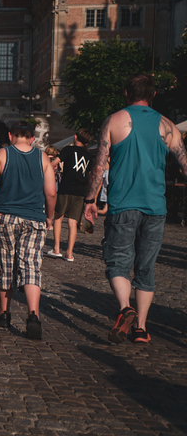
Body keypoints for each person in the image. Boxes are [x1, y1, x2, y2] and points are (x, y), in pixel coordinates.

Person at [83, 73, 187, 344]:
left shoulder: (114, 121)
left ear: (127, 94)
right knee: (146, 268)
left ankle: (125, 308)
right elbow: (185, 164)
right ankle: (140, 328)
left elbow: (99, 164)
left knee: (117, 262)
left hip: (123, 203)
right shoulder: (168, 126)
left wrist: (90, 200)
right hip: (156, 206)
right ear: (153, 95)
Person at [0, 121, 56, 341]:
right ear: (32, 138)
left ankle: (4, 314)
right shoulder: (42, 157)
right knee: (31, 266)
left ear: (11, 135)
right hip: (34, 219)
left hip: (5, 218)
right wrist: (49, 216)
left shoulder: (3, 154)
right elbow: (51, 193)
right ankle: (33, 314)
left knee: (6, 265)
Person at [46, 129, 92, 262]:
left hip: (66, 188)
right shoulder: (89, 156)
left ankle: (56, 249)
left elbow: (53, 164)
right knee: (73, 222)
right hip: (80, 192)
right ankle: (69, 253)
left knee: (58, 217)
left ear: (75, 137)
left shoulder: (68, 150)